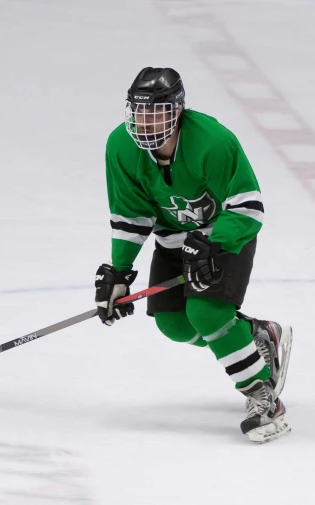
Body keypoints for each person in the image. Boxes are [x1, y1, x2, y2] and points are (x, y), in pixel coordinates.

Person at [93, 67, 292, 443]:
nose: (144, 121)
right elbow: (131, 214)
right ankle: (255, 337)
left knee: (206, 313)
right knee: (175, 325)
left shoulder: (213, 141)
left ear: (178, 111)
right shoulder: (120, 146)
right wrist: (119, 272)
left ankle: (260, 393)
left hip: (224, 238)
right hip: (173, 241)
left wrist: (216, 242)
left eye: (155, 112)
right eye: (138, 111)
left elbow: (248, 205)